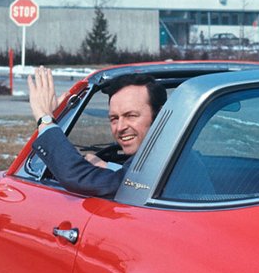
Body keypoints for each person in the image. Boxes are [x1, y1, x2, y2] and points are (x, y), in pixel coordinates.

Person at [27, 66, 166, 197]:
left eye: (131, 116)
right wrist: (108, 167)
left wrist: (45, 119)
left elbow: (85, 181)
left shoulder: (161, 161)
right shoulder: (174, 153)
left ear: (160, 116)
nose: (120, 127)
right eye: (114, 118)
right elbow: (125, 178)